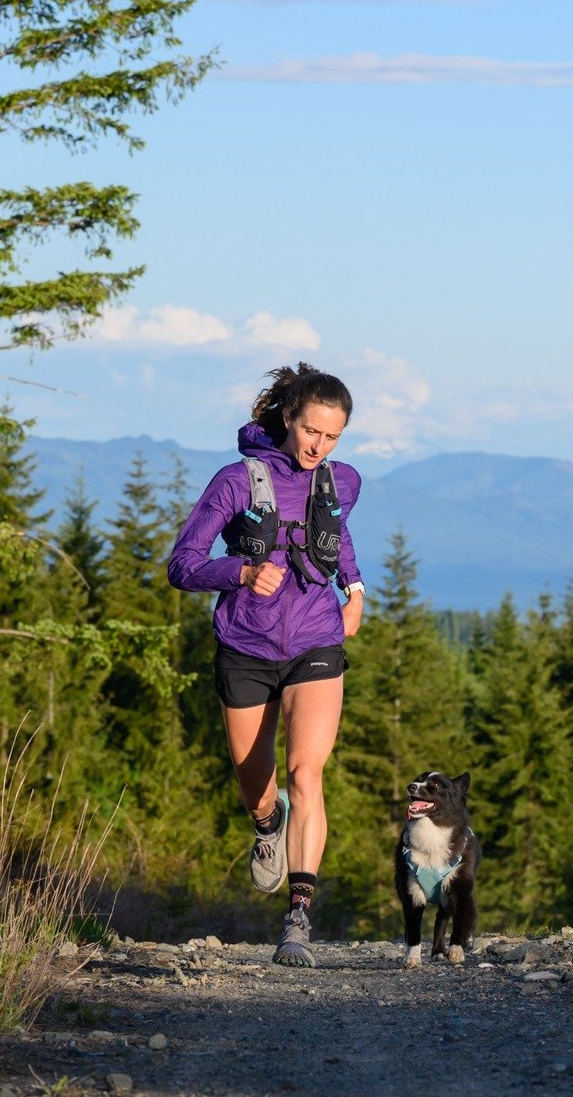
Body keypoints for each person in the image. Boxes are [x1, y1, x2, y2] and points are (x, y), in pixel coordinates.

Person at [167, 363, 364, 967]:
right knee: (258, 787)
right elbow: (182, 564)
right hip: (245, 646)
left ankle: (298, 918)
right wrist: (243, 572)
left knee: (307, 774)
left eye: (332, 436)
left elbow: (333, 535)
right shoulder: (235, 481)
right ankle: (265, 824)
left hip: (316, 641)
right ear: (287, 418)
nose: (319, 446)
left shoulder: (342, 481)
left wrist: (354, 588)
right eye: (311, 431)